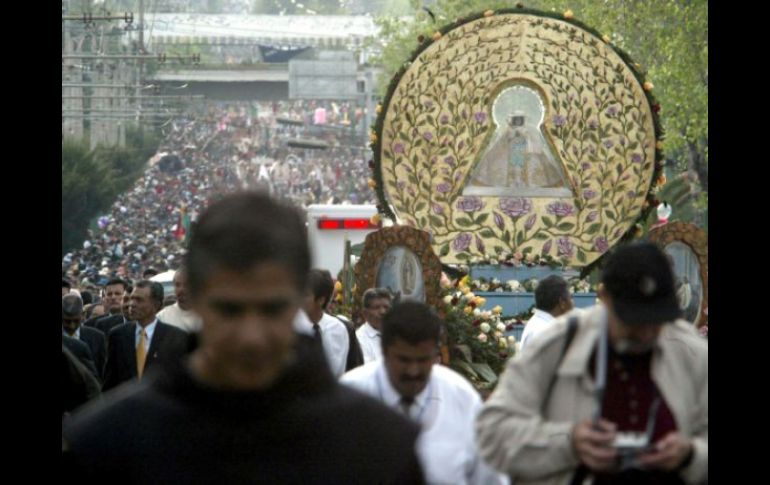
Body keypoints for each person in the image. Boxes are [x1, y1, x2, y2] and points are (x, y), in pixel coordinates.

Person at [63, 192, 425, 483]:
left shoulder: (379, 446)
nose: (251, 336)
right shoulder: (107, 445)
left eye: (271, 309)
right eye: (230, 310)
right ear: (195, 298)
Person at [476, 242, 708, 484]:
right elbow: (492, 433)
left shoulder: (691, 352)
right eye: (633, 321)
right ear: (604, 297)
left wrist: (691, 455)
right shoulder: (558, 345)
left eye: (656, 319)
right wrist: (568, 443)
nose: (646, 333)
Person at [342, 301, 506, 485]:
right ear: (385, 352)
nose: (413, 371)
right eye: (403, 360)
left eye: (423, 360)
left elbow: (490, 478)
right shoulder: (349, 397)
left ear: (436, 355)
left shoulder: (462, 399)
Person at [102, 280, 192, 391]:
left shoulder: (175, 337)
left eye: (139, 300)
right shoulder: (118, 335)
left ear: (156, 305)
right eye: (132, 298)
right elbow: (110, 381)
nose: (132, 304)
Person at [298, 269, 350, 378]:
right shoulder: (292, 328)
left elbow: (342, 370)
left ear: (321, 300)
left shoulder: (339, 329)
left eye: (305, 295)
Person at [519, 275, 574, 352]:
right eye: (571, 297)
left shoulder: (541, 325)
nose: (573, 303)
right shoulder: (545, 331)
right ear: (562, 302)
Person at [63, 294, 107, 382]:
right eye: (67, 321)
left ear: (83, 315)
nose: (72, 326)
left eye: (76, 320)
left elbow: (102, 372)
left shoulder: (97, 338)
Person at [156, 265, 202, 333]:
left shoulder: (208, 315)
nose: (181, 289)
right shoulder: (163, 317)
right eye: (177, 285)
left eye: (186, 284)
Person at [356, 288, 392, 363]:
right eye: (377, 307)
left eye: (386, 307)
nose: (383, 312)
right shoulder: (360, 339)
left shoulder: (397, 334)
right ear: (365, 313)